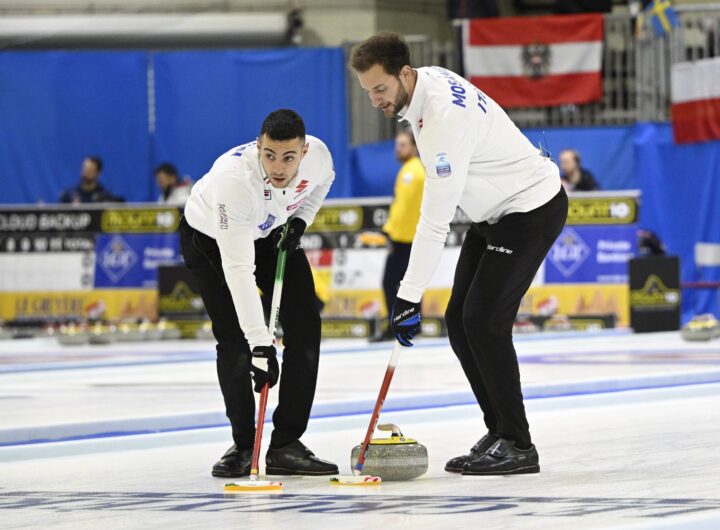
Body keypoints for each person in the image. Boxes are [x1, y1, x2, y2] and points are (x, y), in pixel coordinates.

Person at [351, 33, 568, 476]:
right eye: (367, 92)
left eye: (380, 89)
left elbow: (434, 223)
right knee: (459, 319)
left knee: (484, 320)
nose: (375, 100)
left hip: (530, 210)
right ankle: (499, 430)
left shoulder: (441, 121)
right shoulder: (425, 84)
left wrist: (407, 297)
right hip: (493, 214)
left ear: (404, 74)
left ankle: (518, 444)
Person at [179, 109, 338, 478]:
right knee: (235, 341)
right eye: (269, 155)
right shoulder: (234, 181)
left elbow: (323, 183)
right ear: (257, 147)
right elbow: (239, 271)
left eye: (288, 157)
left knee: (305, 326)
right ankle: (243, 445)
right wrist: (261, 344)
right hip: (212, 240)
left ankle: (285, 444)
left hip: (273, 232)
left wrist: (302, 220)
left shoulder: (319, 156)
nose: (278, 167)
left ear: (304, 151)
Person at [372, 129, 425, 342]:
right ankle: (410, 324)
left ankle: (397, 325)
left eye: (403, 145)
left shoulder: (412, 172)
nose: (398, 149)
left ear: (414, 147)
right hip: (408, 237)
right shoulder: (410, 170)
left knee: (391, 283)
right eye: (397, 145)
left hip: (405, 239)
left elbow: (404, 209)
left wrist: (390, 230)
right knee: (408, 283)